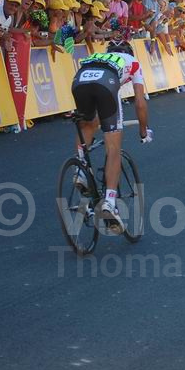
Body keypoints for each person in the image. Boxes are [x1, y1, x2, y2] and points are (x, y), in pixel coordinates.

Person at [71, 40, 152, 232]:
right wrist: (143, 130)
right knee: (113, 147)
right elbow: (139, 102)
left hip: (80, 80)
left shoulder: (99, 56)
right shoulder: (133, 62)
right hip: (105, 83)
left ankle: (80, 169)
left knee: (88, 124)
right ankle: (109, 202)